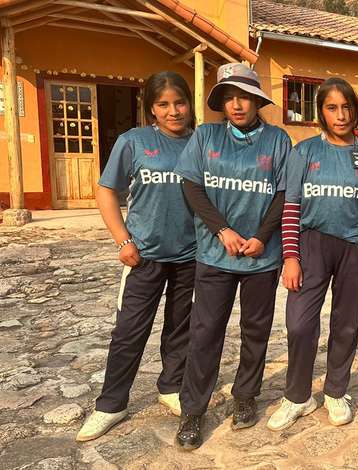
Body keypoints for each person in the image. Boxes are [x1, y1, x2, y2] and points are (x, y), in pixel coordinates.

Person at [172, 63, 291, 450]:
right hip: (214, 253)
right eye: (230, 97)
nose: (237, 104)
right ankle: (194, 409)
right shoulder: (205, 136)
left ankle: (245, 396)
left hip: (261, 256)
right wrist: (222, 230)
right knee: (205, 332)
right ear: (222, 101)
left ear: (258, 100)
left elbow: (283, 194)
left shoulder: (277, 140)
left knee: (255, 331)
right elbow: (192, 187)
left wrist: (261, 236)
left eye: (245, 96)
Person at [76, 71, 196, 442]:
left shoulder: (202, 143)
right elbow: (106, 191)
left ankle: (171, 386)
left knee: (181, 328)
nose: (173, 111)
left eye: (180, 102)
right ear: (151, 110)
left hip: (191, 255)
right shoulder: (135, 142)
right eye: (163, 104)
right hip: (143, 256)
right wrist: (122, 240)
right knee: (129, 332)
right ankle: (111, 404)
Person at [267, 77, 358, 431]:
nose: (340, 114)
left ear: (357, 111)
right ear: (320, 111)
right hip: (312, 244)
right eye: (332, 107)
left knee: (346, 325)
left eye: (347, 107)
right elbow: (290, 206)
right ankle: (298, 396)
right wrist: (291, 256)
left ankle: (336, 390)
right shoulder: (305, 152)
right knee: (300, 323)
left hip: (357, 247)